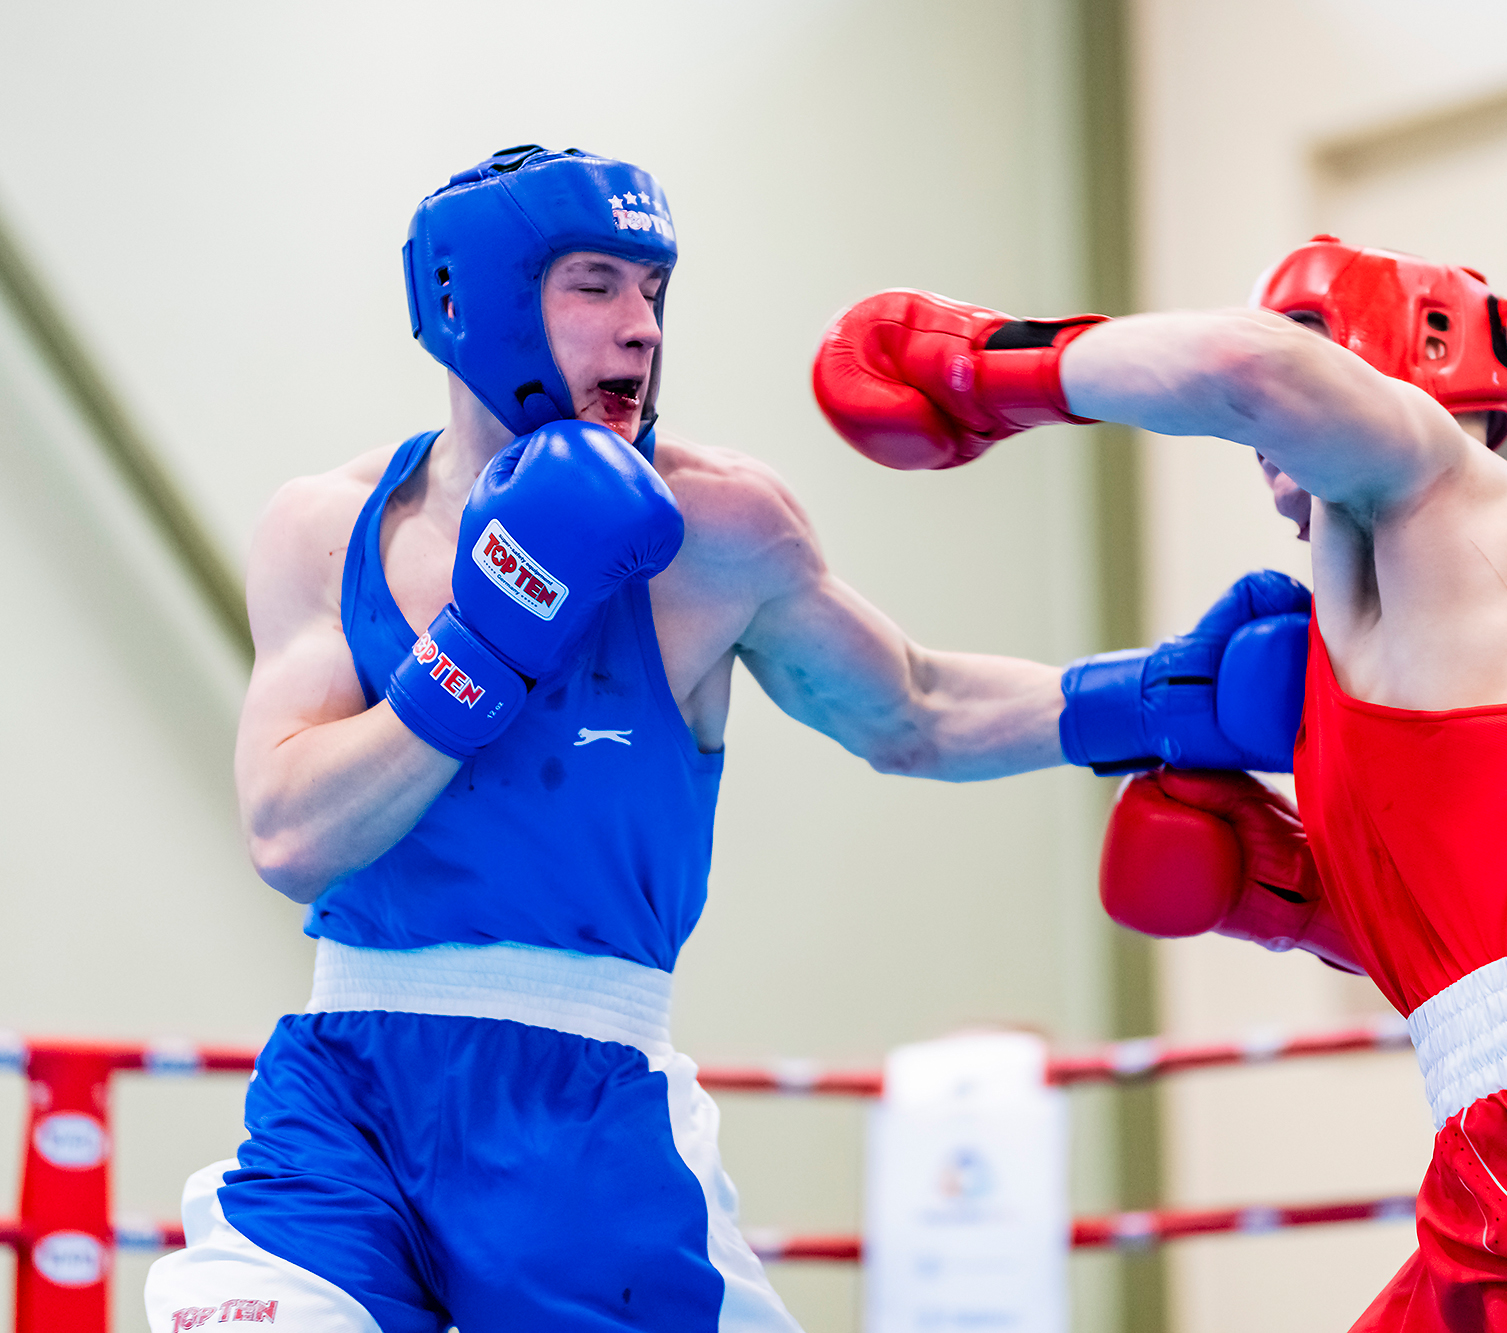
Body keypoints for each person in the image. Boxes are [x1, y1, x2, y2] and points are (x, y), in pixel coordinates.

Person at [144, 145, 1308, 1333]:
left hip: (584, 1108)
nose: (641, 326)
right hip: (344, 1097)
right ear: (473, 300)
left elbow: (911, 708)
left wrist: (1153, 699)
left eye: (654, 288)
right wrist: (482, 646)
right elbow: (288, 833)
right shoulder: (326, 528)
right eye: (595, 283)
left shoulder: (714, 527)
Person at [812, 236, 1507, 1330]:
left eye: (1306, 340)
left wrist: (991, 366)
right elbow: (930, 722)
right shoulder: (1368, 641)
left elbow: (1250, 372)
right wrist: (1289, 895)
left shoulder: (1467, 507)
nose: (1256, 442)